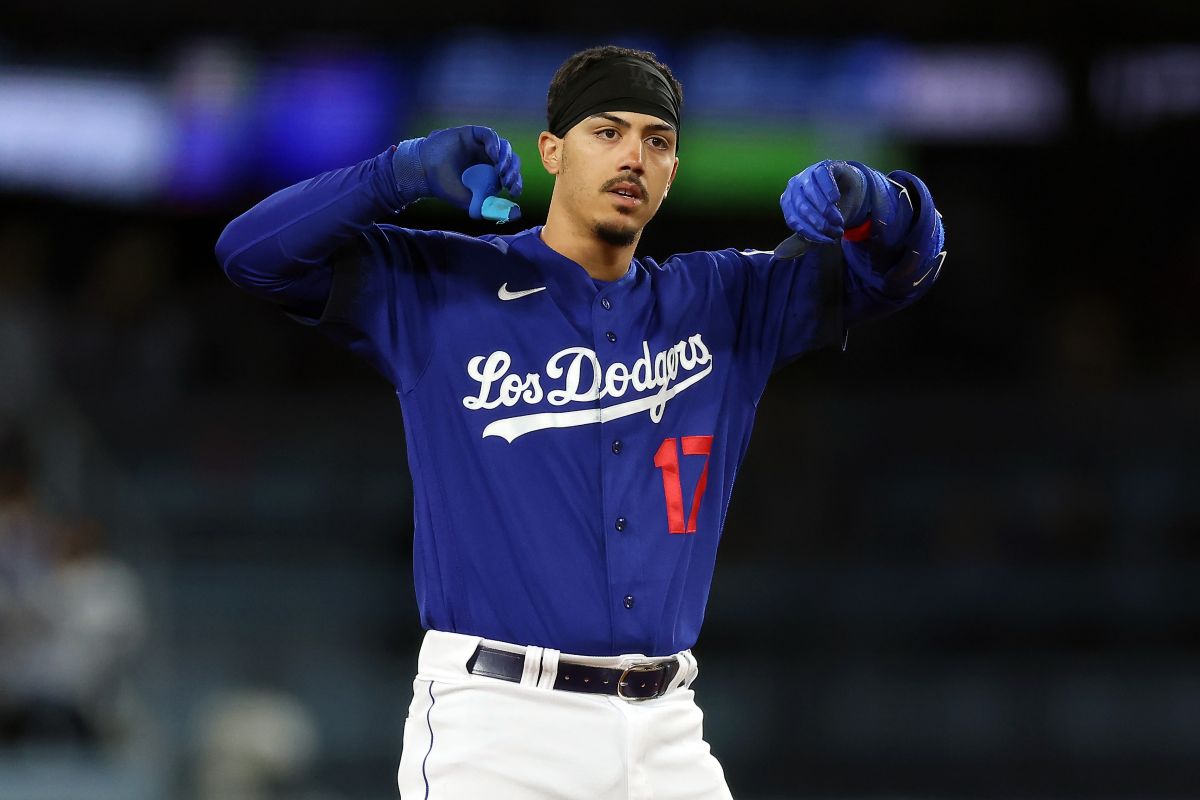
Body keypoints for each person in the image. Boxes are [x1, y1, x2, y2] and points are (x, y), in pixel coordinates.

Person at [215, 44, 946, 799]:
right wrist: (395, 174)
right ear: (552, 150)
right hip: (498, 727)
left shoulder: (726, 300)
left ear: (672, 171)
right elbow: (250, 256)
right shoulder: (445, 289)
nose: (633, 155)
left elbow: (902, 272)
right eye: (607, 131)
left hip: (667, 729)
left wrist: (874, 201)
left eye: (656, 142)